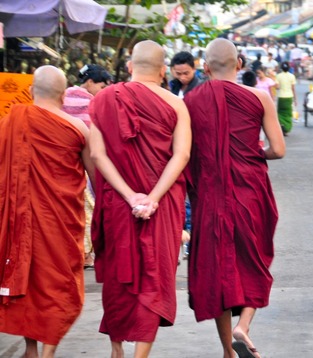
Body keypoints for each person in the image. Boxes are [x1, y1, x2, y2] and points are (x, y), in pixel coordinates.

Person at [184, 38, 285, 358]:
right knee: (254, 259)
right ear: (239, 64)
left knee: (219, 270)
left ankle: (228, 349)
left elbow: (185, 153)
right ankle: (245, 325)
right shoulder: (259, 97)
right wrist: (253, 155)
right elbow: (278, 150)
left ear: (204, 67)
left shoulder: (190, 101)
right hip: (250, 191)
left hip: (209, 195)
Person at [89, 40, 191, 357]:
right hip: (162, 205)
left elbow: (97, 154)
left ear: (130, 67)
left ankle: (117, 349)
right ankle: (139, 355)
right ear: (163, 71)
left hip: (120, 203)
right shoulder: (176, 104)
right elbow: (182, 155)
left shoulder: (104, 98)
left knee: (120, 279)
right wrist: (153, 197)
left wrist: (131, 195)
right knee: (155, 277)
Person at [0, 65, 94, 357]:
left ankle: (31, 348)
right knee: (57, 284)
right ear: (64, 94)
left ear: (30, 91)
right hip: (60, 223)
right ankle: (47, 351)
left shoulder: (8, 123)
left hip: (18, 219)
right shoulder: (79, 129)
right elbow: (95, 177)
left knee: (26, 279)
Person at [62, 64, 112, 270]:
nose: (101, 91)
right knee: (88, 208)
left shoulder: (61, 95)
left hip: (62, 163)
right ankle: (85, 254)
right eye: (101, 86)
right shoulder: (92, 102)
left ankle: (72, 251)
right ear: (89, 82)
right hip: (85, 161)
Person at [275, 61, 297, 135]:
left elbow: (277, 87)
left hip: (281, 97)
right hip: (289, 97)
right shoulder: (292, 76)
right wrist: (295, 99)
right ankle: (286, 128)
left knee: (280, 113)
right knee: (288, 114)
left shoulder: (278, 76)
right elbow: (293, 88)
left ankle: (281, 125)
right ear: (289, 68)